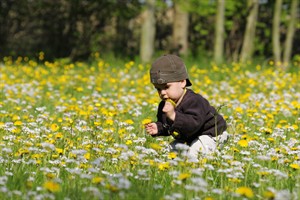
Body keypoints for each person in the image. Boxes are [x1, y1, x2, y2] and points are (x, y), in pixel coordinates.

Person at [144, 54, 228, 158]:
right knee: (168, 153)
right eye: (158, 89)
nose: (162, 93)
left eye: (166, 87)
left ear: (182, 82)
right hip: (188, 137)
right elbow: (169, 127)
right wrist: (159, 128)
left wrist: (173, 116)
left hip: (211, 134)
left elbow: (193, 125)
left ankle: (199, 170)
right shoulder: (165, 105)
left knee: (196, 152)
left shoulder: (194, 101)